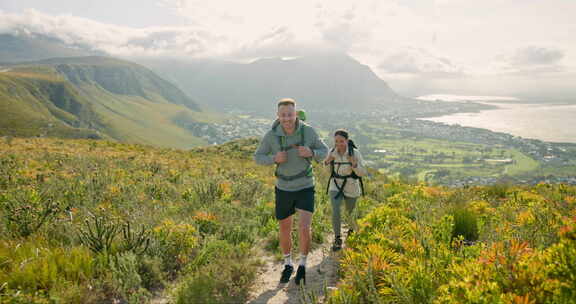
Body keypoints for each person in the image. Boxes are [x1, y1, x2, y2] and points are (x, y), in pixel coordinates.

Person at [254, 98, 328, 285]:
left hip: (305, 186)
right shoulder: (271, 136)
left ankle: (302, 264)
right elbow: (258, 157)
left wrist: (311, 152)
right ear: (278, 116)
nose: (287, 118)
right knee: (284, 228)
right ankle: (288, 264)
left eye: (290, 114)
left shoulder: (308, 131)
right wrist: (274, 158)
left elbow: (325, 151)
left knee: (304, 227)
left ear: (296, 114)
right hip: (284, 188)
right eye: (283, 115)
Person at [324, 129, 367, 251]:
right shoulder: (332, 152)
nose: (339, 144)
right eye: (336, 141)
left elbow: (362, 172)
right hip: (335, 184)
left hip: (351, 186)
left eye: (341, 141)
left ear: (347, 141)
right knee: (336, 209)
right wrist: (327, 162)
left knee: (350, 212)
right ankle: (337, 238)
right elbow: (327, 171)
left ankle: (351, 231)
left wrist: (354, 164)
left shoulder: (355, 153)